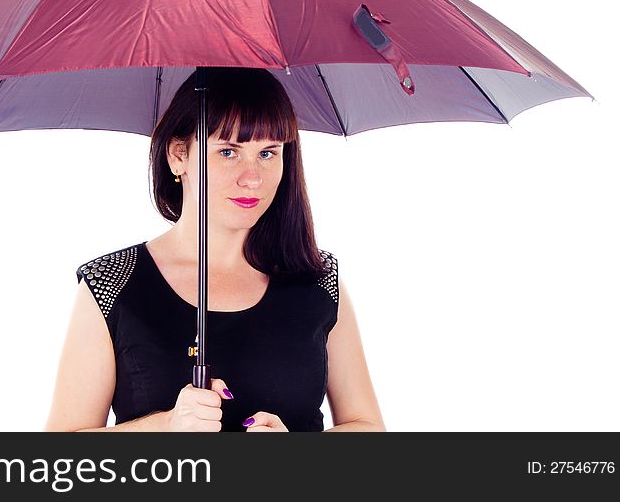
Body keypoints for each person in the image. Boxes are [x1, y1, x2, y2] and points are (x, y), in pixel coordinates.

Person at [44, 67, 385, 432]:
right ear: (178, 155)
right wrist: (165, 427)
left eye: (268, 153)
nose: (252, 177)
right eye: (228, 152)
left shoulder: (318, 278)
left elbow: (367, 426)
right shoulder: (112, 284)